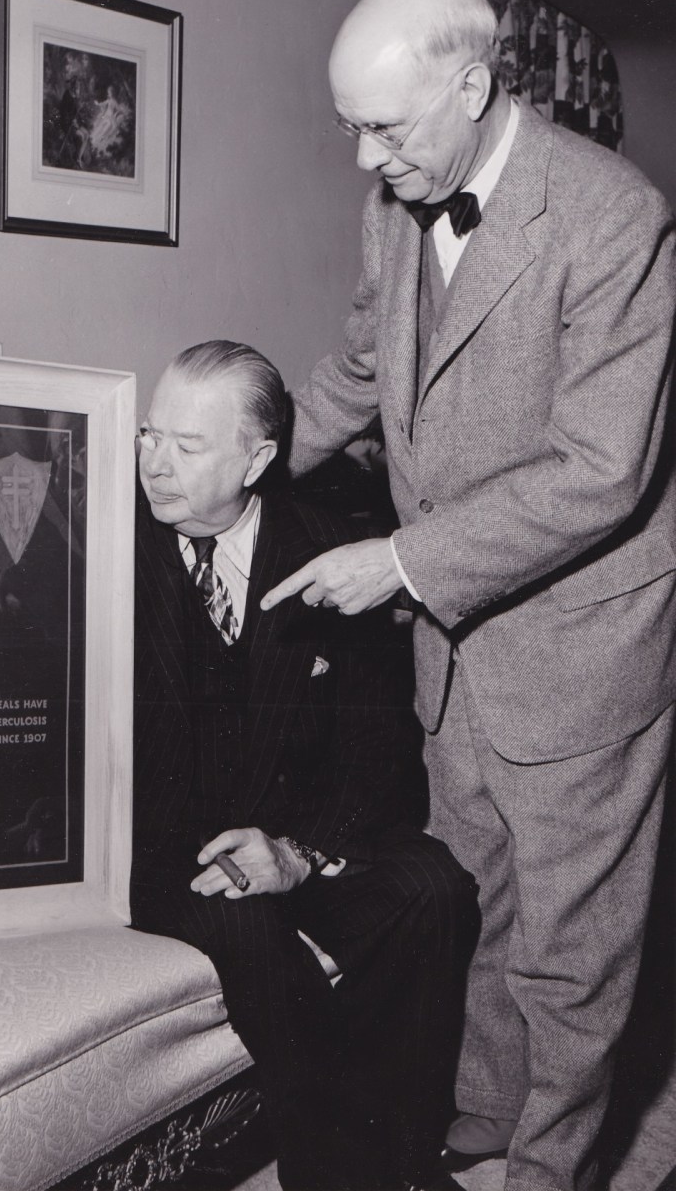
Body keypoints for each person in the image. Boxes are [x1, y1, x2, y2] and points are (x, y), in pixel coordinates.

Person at [262, 0, 676, 1191]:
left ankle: (552, 1170)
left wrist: (399, 561)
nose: (364, 159)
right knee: (478, 906)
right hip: (455, 654)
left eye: (385, 128)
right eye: (350, 128)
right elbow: (358, 371)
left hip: (581, 650)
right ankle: (490, 1117)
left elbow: (602, 470)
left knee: (571, 955)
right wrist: (237, 459)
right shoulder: (397, 202)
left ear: (475, 87)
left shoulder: (614, 217)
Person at [131, 340, 479, 1191]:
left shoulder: (330, 554)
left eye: (187, 445)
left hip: (292, 830)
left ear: (257, 460)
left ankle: (404, 1153)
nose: (155, 465)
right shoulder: (105, 547)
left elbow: (379, 743)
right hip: (168, 848)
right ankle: (344, 1174)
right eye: (149, 436)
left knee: (434, 887)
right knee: (249, 928)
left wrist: (298, 851)